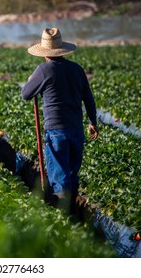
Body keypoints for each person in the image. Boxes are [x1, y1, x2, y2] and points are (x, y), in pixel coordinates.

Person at [21, 28, 99, 205]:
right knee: (71, 174)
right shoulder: (76, 69)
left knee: (60, 179)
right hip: (76, 130)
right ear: (62, 50)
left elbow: (26, 94)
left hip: (56, 132)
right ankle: (75, 212)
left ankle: (64, 216)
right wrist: (92, 122)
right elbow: (88, 98)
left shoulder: (43, 70)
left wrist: (30, 80)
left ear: (45, 53)